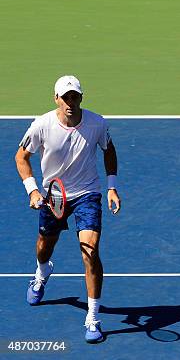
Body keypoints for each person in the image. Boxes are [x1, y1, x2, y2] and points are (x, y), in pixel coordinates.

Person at [15, 75, 121, 343]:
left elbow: (109, 150)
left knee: (90, 252)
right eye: (65, 97)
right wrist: (33, 190)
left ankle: (93, 318)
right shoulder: (42, 125)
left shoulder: (97, 124)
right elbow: (21, 157)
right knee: (43, 247)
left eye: (75, 97)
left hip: (87, 193)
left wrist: (111, 186)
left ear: (81, 98)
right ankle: (42, 272)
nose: (70, 102)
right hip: (53, 196)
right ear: (56, 99)